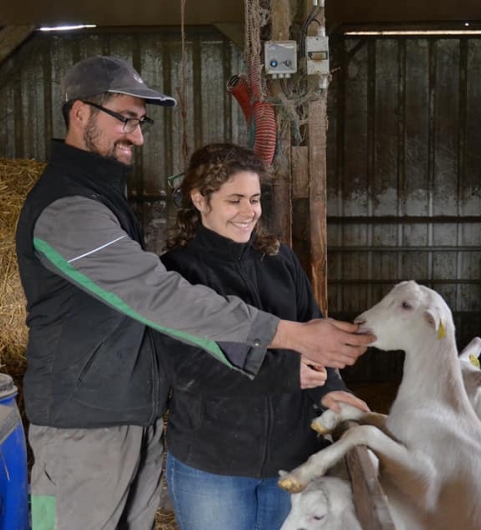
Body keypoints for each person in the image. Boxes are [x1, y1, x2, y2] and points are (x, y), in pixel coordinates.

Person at [14, 56, 375, 530]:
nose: (138, 136)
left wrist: (329, 386)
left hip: (131, 417)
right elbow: (160, 301)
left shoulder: (103, 198)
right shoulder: (69, 211)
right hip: (88, 425)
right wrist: (289, 339)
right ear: (80, 114)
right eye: (126, 119)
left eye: (141, 123)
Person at [158, 143, 370, 530]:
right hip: (213, 466)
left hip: (290, 462)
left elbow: (313, 328)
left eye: (254, 199)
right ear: (199, 199)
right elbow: (186, 368)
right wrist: (286, 372)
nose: (249, 212)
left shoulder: (280, 260)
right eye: (234, 200)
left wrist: (331, 390)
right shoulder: (178, 272)